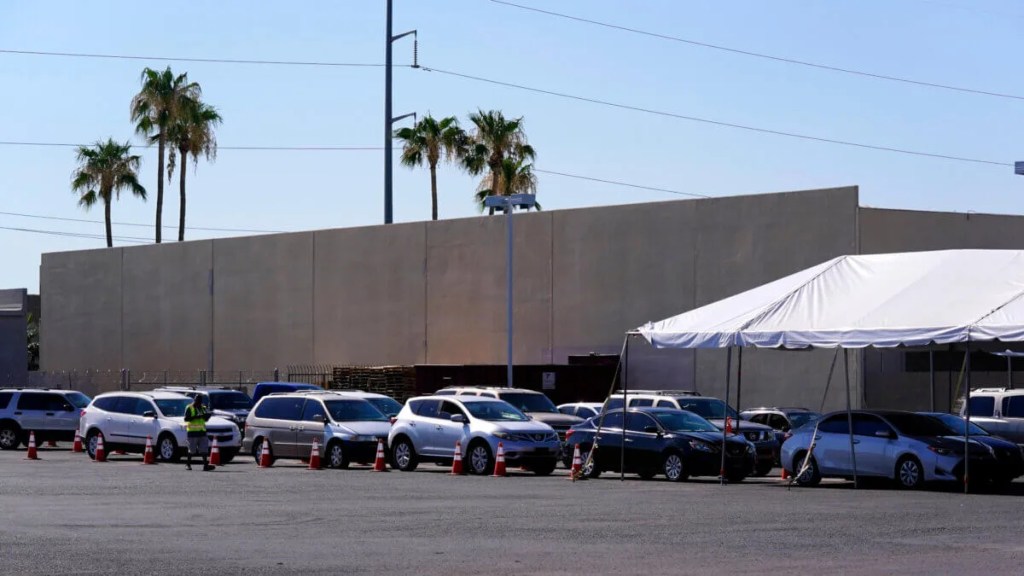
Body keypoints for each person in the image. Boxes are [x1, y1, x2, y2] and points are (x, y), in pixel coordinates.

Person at [184, 395, 214, 471]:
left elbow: (205, 419)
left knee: (204, 450)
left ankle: (205, 465)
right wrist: (197, 416)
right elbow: (186, 419)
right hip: (192, 432)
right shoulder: (189, 407)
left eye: (200, 401)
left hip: (202, 432)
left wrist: (208, 416)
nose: (198, 403)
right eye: (197, 401)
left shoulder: (203, 408)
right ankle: (188, 464)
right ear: (194, 400)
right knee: (192, 450)